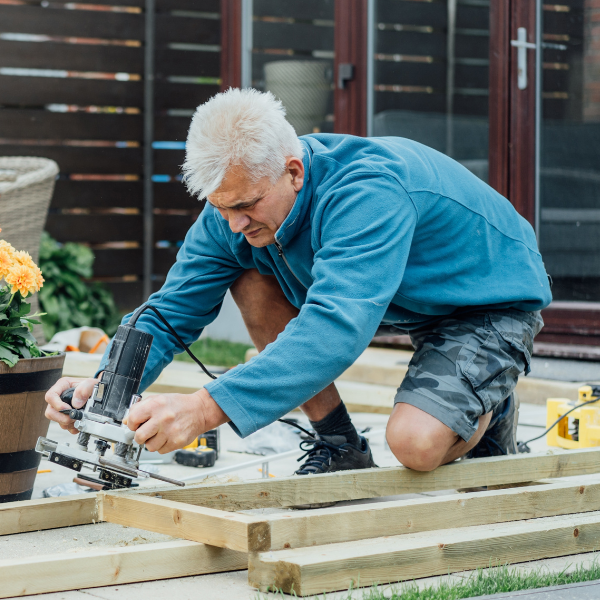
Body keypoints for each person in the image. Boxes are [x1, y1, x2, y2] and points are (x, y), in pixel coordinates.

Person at [45, 88, 551, 476]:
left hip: (486, 304)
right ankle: (339, 446)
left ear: (294, 172)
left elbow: (333, 330)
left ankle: (492, 400)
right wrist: (107, 387)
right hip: (407, 300)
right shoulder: (234, 207)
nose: (234, 223)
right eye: (221, 208)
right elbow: (170, 308)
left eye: (245, 206)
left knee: (416, 446)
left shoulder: (367, 193)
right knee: (248, 272)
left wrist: (203, 409)